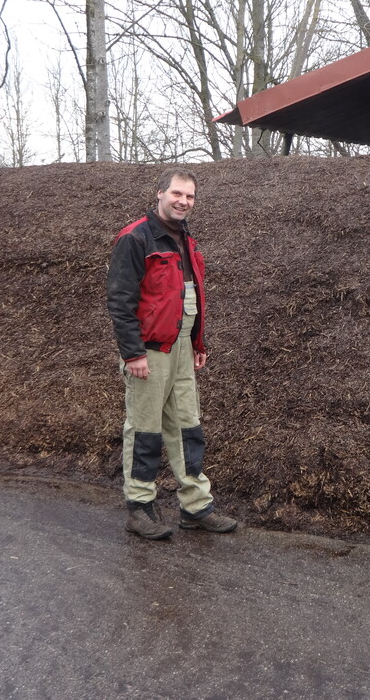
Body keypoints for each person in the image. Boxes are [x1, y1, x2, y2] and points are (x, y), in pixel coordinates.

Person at [107, 167, 238, 540]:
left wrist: (197, 343)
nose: (183, 201)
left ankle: (196, 506)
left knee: (187, 427)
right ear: (160, 193)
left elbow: (188, 296)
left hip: (181, 349)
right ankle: (139, 506)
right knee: (145, 429)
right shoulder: (136, 238)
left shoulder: (187, 241)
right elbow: (120, 300)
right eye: (177, 193)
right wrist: (133, 354)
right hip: (149, 350)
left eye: (190, 196)